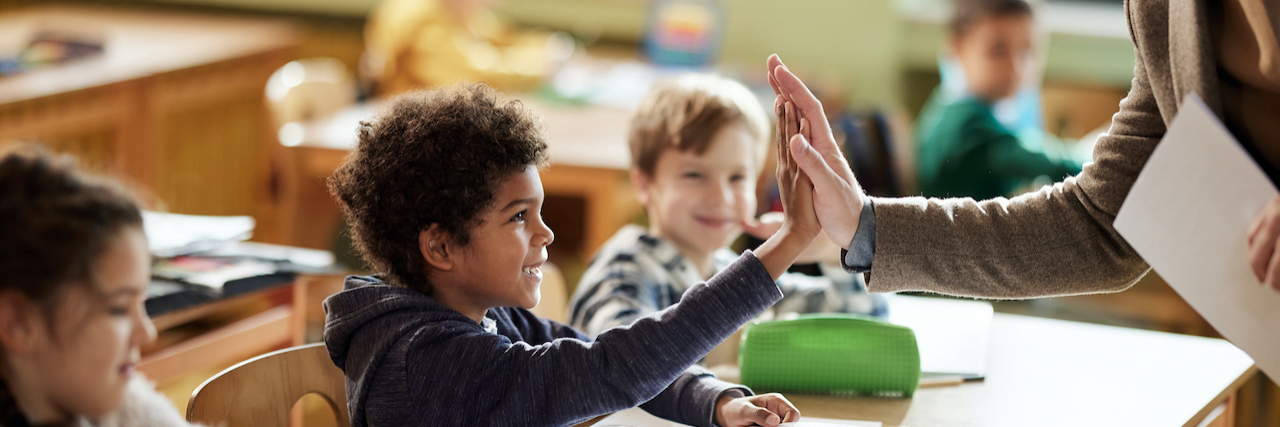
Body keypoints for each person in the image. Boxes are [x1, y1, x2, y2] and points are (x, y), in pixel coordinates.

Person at [322, 83, 817, 427]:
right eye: (519, 217)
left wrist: (718, 402)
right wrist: (787, 242)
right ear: (442, 246)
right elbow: (614, 368)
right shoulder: (432, 363)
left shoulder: (484, 316)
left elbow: (612, 358)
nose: (547, 233)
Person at [763, 0, 1280, 300]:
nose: (1017, 65)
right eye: (999, 49)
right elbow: (1098, 218)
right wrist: (865, 225)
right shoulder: (1160, 12)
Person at [568, 74, 886, 337]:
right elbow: (627, 365)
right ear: (644, 184)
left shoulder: (727, 270)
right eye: (695, 175)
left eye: (737, 177)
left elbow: (862, 327)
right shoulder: (624, 269)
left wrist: (834, 253)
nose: (721, 197)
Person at [0, 144, 199, 427]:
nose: (147, 333)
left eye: (140, 302)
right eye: (118, 309)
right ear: (17, 322)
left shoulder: (128, 408)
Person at [914, 0, 1089, 200]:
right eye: (998, 51)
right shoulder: (969, 128)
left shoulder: (948, 104)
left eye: (1027, 50)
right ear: (957, 49)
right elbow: (1060, 166)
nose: (1017, 68)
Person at [364, 0, 571, 96]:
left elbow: (501, 40)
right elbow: (475, 77)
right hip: (415, 136)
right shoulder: (421, 17)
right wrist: (544, 66)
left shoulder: (455, 9)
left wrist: (548, 46)